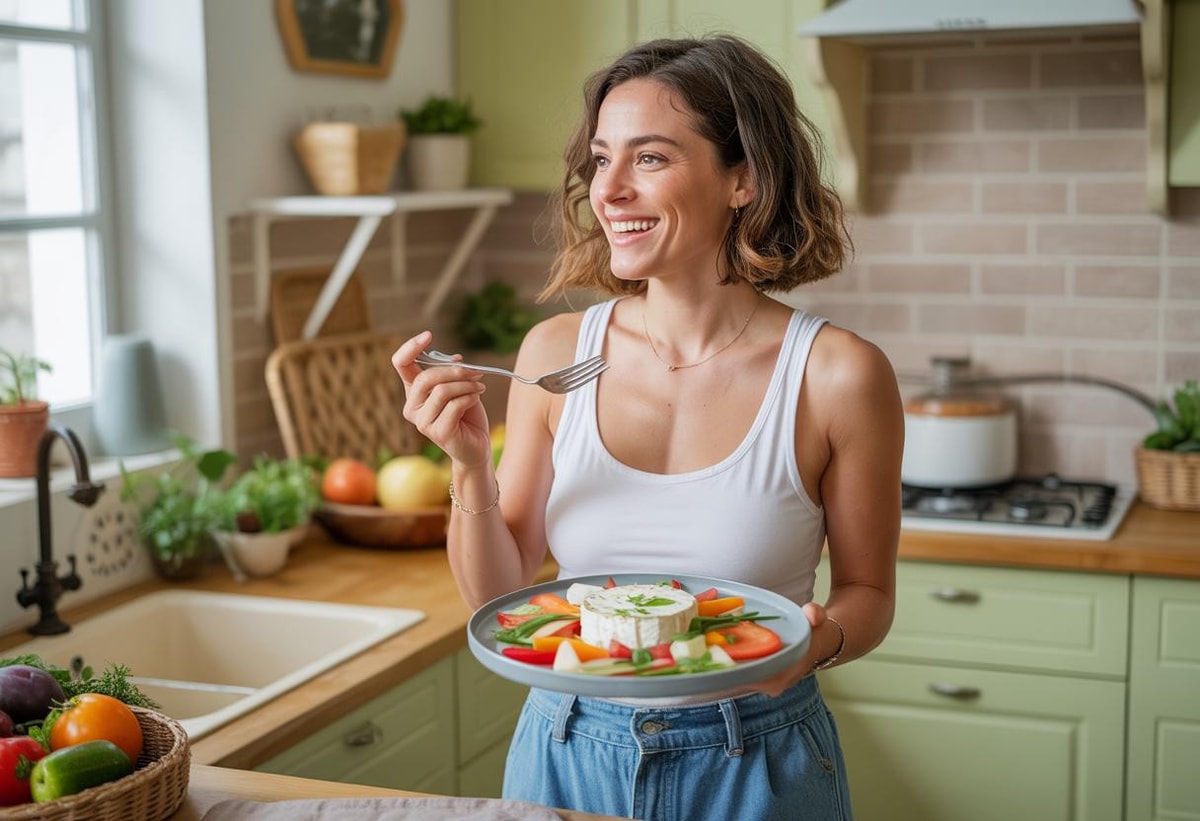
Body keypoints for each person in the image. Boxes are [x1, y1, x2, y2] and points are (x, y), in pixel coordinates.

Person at [393, 34, 903, 821]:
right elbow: (498, 596)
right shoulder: (554, 354)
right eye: (601, 159)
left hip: (755, 753)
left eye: (651, 158)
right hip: (565, 743)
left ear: (743, 178)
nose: (611, 190)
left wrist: (818, 640)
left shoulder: (838, 374)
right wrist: (468, 466)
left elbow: (868, 594)